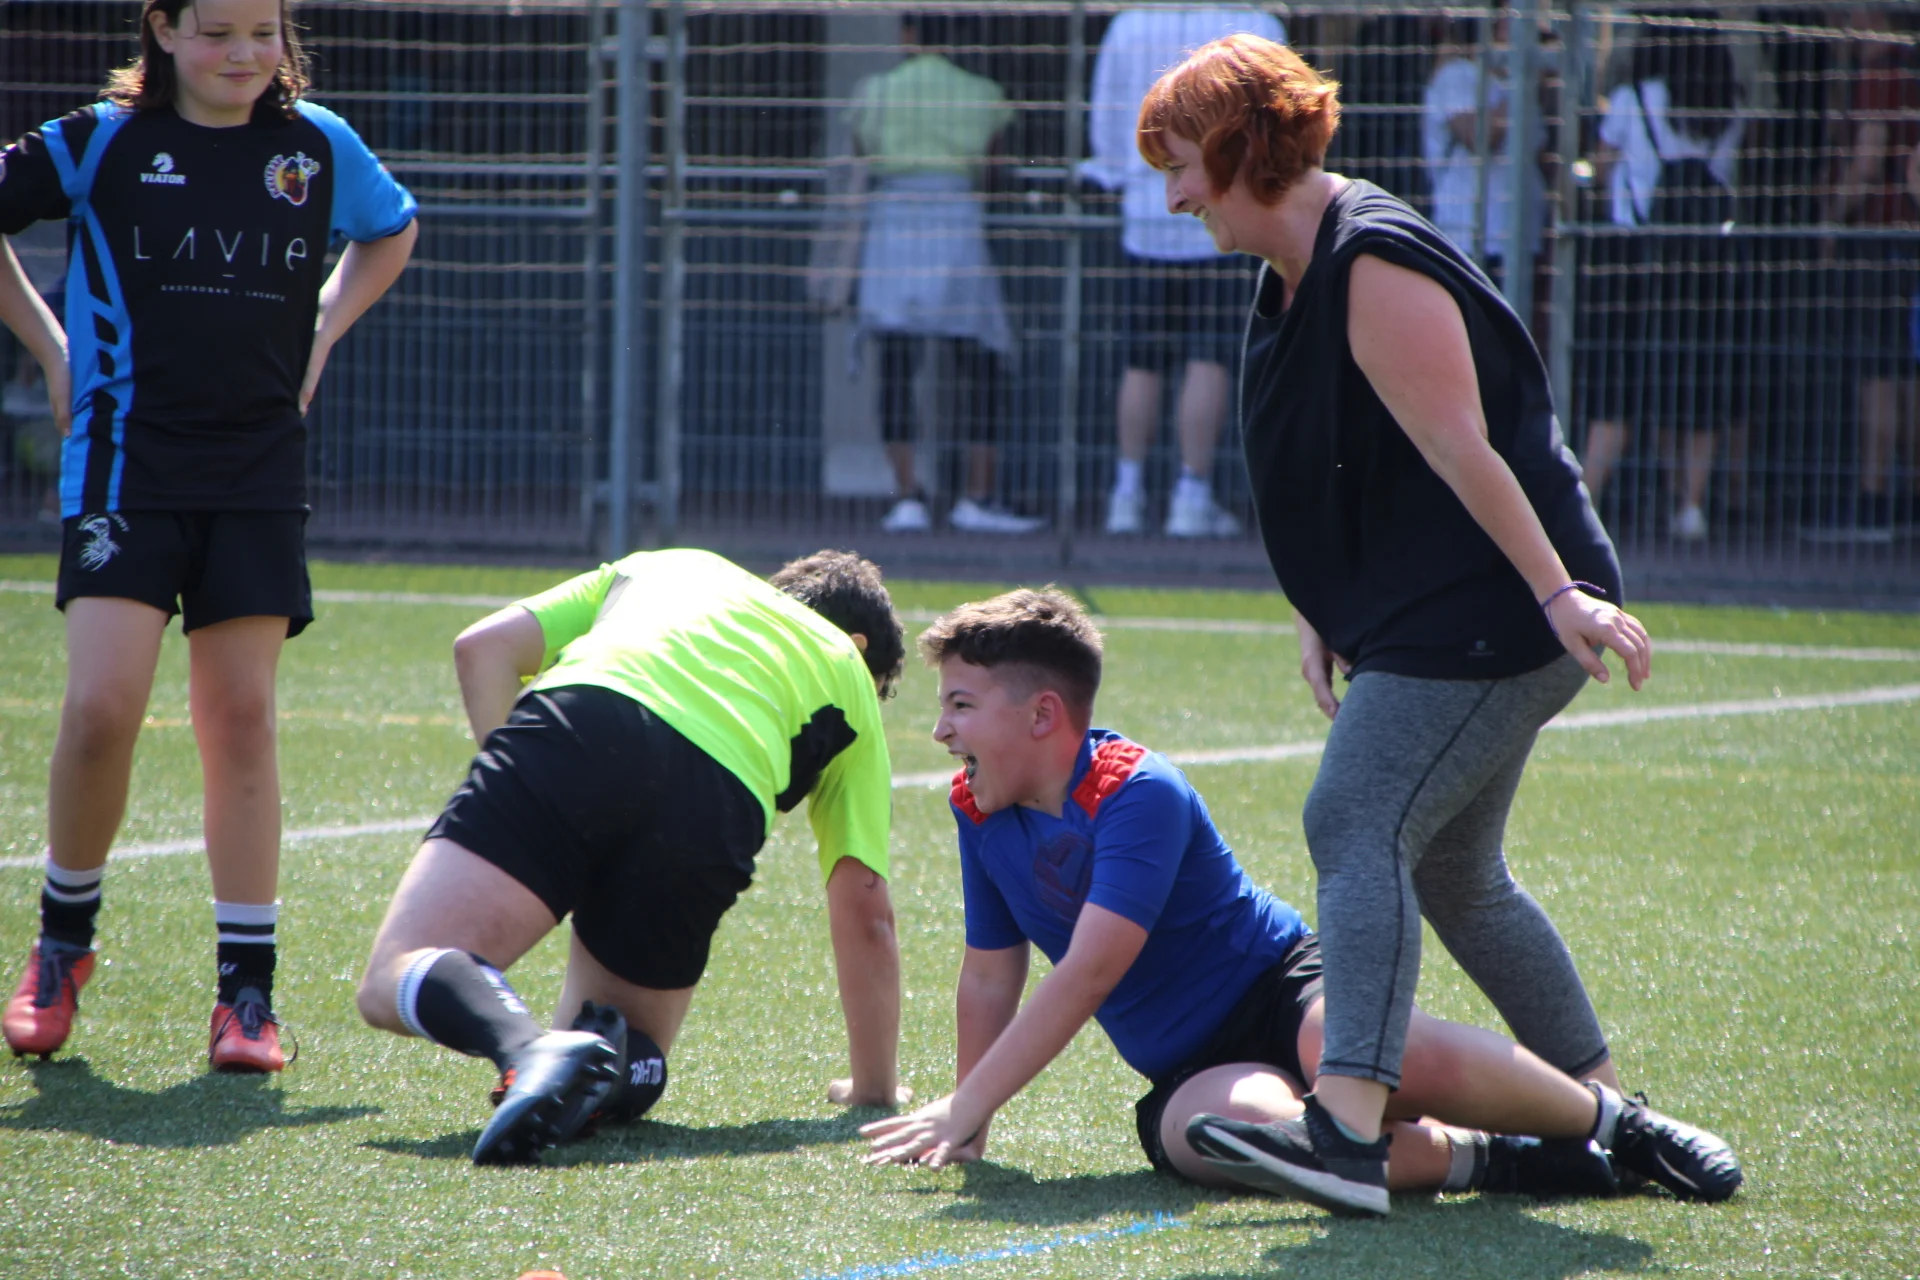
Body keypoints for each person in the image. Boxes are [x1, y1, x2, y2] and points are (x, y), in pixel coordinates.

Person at [1128, 35, 1698, 1216]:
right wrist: (1317, 604)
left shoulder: (1372, 257)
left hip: (1499, 609)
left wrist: (1561, 595)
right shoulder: (1289, 271)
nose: (1175, 195)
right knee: (1457, 872)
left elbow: (1463, 447)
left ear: (1240, 148)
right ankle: (1602, 1115)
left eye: (1181, 164)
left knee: (1353, 817)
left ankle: (1346, 1121)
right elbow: (1319, 464)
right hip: (1433, 612)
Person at [861, 590, 1738, 1216]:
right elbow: (990, 973)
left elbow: (1088, 972)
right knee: (1213, 1135)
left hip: (1285, 988)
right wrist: (968, 1119)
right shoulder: (978, 808)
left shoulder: (1137, 791)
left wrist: (965, 1103)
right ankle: (1501, 1160)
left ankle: (1620, 1125)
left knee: (1361, 1052)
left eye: (961, 705)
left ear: (1043, 715)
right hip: (1192, 1062)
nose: (941, 731)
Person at [0, 0, 417, 1071]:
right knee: (100, 707)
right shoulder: (99, 140)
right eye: (217, 31)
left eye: (262, 31)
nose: (244, 53)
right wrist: (50, 349)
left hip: (257, 469)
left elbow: (392, 229)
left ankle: (246, 994)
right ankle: (62, 945)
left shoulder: (316, 145)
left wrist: (323, 326)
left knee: (239, 718)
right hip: (125, 461)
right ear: (164, 29)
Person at [353, 548, 911, 1165]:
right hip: (714, 804)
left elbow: (482, 647)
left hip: (583, 723)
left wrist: (532, 810)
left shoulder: (674, 564)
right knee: (621, 1043)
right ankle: (555, 1056)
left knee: (393, 975)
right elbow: (868, 914)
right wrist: (874, 1090)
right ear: (860, 649)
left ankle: (523, 1048)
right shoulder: (848, 676)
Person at [1081, 6, 1282, 538]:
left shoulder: (1129, 25)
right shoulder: (1254, 24)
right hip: (1223, 218)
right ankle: (1190, 498)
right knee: (1207, 358)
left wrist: (1125, 176)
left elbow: (1106, 130)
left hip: (1146, 221)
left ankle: (1127, 494)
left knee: (1142, 361)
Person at [853, 13, 1042, 535]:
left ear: (908, 35)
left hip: (893, 226)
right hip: (957, 224)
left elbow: (861, 151)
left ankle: (907, 496)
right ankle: (976, 496)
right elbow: (995, 164)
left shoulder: (876, 91)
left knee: (896, 364)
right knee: (979, 362)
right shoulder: (982, 93)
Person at [1580, 19, 1748, 542]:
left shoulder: (1634, 98)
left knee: (1618, 380)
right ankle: (1690, 504)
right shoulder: (1731, 106)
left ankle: (1587, 499)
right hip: (1705, 258)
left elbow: (1600, 168)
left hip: (1634, 251)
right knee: (1695, 376)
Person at [1813, 7, 1919, 542]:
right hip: (1904, 243)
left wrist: (1831, 216)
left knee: (1880, 374)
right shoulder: (1908, 69)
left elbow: (1869, 159)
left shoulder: (1882, 74)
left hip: (1881, 242)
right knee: (1904, 373)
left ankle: (1875, 497)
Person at [1419, 16, 1548, 290]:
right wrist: (1523, 86)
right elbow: (1478, 137)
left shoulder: (1511, 81)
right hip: (1473, 235)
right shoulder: (1458, 75)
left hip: (1521, 233)